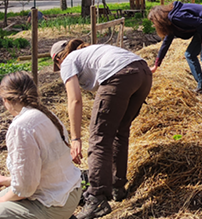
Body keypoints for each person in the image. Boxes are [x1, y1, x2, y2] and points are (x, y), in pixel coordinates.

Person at [51, 39, 153, 219]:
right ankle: (116, 186)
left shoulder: (67, 61)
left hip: (121, 74)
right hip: (143, 73)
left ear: (58, 59)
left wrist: (75, 138)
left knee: (99, 139)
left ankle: (96, 198)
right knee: (120, 131)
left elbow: (74, 100)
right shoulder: (91, 53)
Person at [0, 71, 81, 219]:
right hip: (69, 191)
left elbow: (25, 188)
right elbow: (39, 171)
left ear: (6, 100)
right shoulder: (44, 114)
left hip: (55, 203)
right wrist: (6, 180)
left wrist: (2, 200)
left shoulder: (20, 128)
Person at [148, 2, 202, 105]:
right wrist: (156, 64)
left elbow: (200, 22)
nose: (154, 25)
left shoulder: (176, 17)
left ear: (159, 19)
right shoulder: (171, 22)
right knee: (189, 54)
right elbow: (166, 42)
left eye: (154, 22)